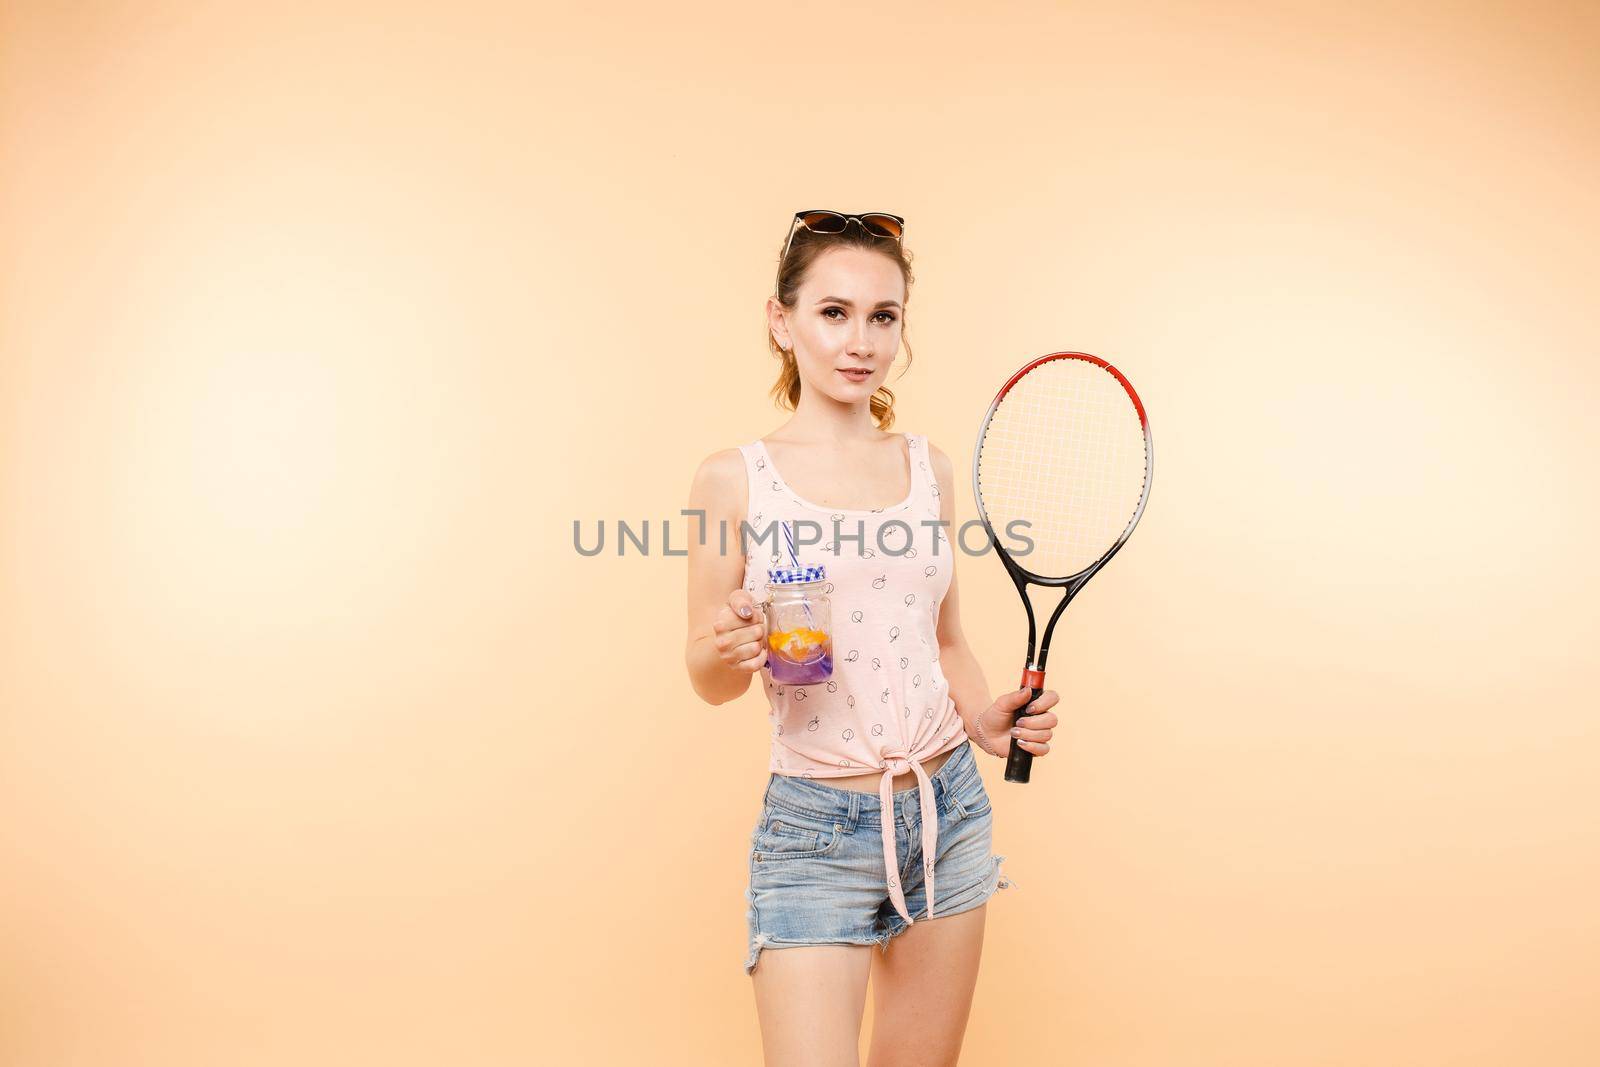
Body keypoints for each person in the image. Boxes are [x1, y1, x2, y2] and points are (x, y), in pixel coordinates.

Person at [684, 210, 1060, 1067]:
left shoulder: (927, 467)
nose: (861, 341)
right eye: (834, 312)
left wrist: (986, 719)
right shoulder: (733, 479)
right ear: (782, 322)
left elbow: (946, 639)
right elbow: (707, 676)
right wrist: (730, 648)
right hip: (815, 827)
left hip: (948, 810)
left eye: (883, 316)